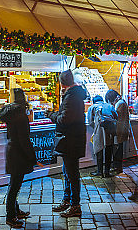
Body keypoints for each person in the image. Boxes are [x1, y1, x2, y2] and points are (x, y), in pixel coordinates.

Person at [46, 70, 86, 218]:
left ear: (62, 83)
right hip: (71, 141)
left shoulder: (72, 97)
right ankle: (67, 200)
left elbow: (65, 119)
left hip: (71, 141)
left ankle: (75, 205)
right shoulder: (73, 95)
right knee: (67, 172)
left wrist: (51, 114)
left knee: (72, 174)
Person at [0, 88, 36, 228]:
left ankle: (15, 210)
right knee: (14, 186)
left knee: (14, 184)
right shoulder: (21, 115)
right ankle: (10, 216)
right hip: (18, 154)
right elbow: (24, 140)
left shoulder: (12, 113)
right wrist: (32, 157)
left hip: (12, 151)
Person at [87, 95, 116, 178]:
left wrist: (96, 127)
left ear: (93, 101)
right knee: (108, 150)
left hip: (99, 131)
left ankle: (100, 171)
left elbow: (90, 121)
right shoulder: (110, 106)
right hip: (110, 131)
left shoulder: (92, 107)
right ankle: (107, 171)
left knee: (99, 149)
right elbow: (115, 117)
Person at [105, 89, 129, 175]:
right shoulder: (121, 102)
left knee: (118, 149)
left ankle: (118, 167)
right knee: (118, 149)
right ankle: (117, 166)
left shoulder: (120, 104)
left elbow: (116, 116)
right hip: (120, 129)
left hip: (120, 130)